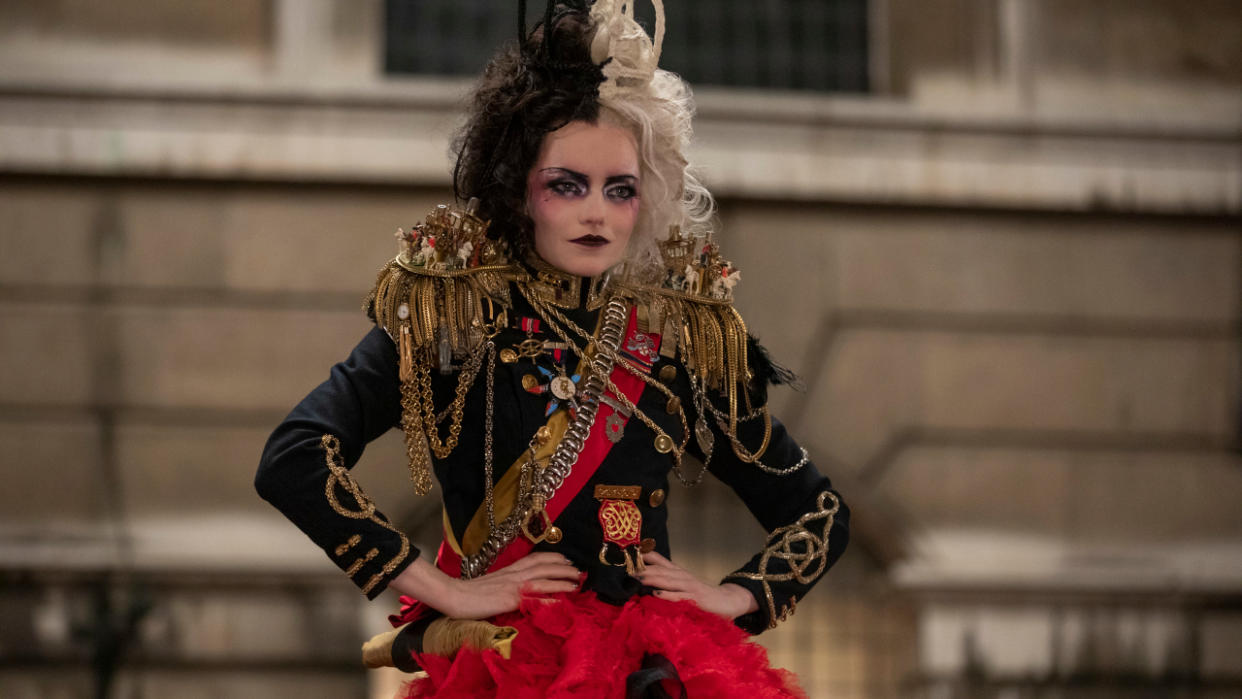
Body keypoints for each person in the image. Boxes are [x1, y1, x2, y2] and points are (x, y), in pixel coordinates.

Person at [255, 1, 849, 696]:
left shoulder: (675, 343)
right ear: (519, 191)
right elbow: (294, 456)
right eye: (567, 185)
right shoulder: (455, 319)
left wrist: (737, 596)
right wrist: (442, 588)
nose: (596, 212)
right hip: (507, 664)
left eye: (620, 190)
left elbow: (819, 513)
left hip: (652, 671)